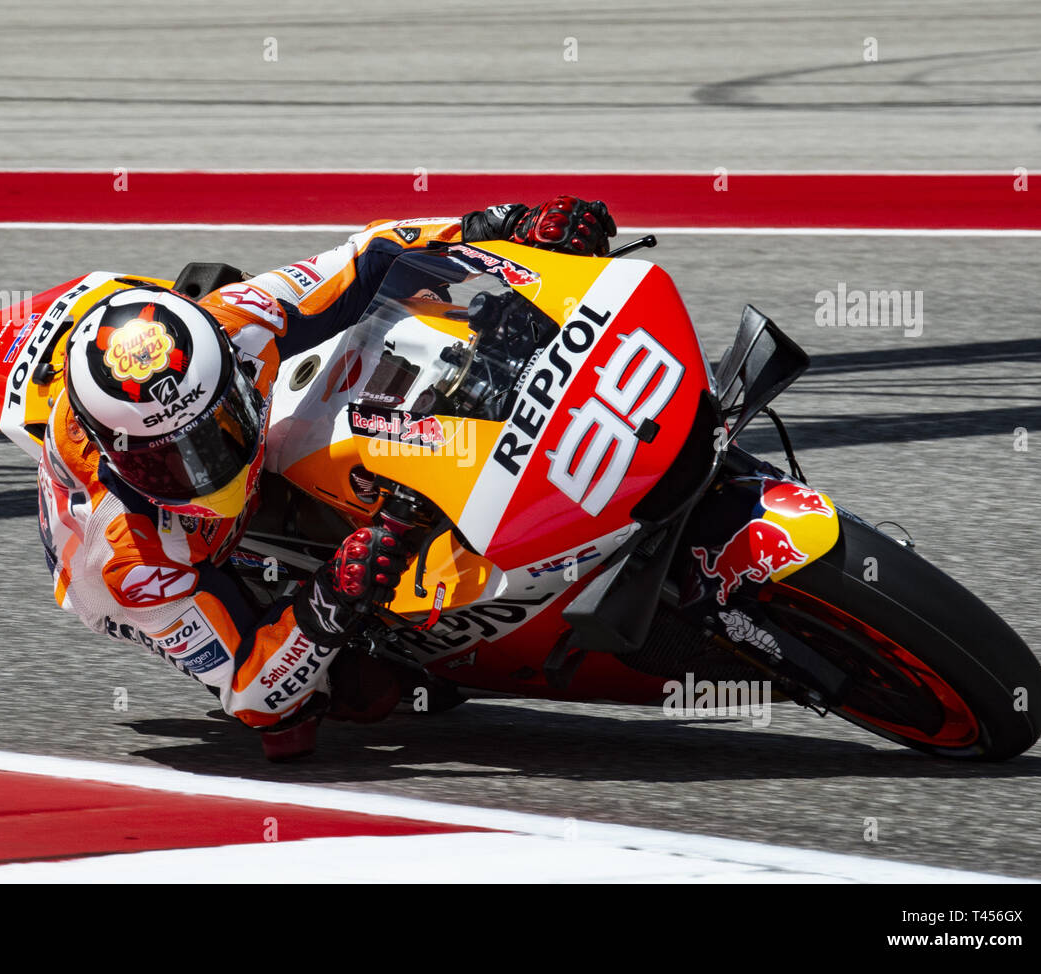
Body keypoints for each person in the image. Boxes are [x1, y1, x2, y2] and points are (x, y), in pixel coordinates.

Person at [37, 196, 617, 760]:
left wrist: (502, 223)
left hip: (222, 401)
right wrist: (330, 599)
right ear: (114, 454)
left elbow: (372, 253)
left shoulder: (237, 323)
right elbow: (250, 692)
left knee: (401, 335)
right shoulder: (129, 564)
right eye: (166, 460)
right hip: (151, 560)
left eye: (214, 430)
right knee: (351, 696)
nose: (204, 468)